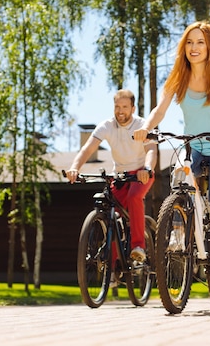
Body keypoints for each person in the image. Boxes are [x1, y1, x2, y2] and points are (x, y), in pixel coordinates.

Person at [133, 21, 210, 281]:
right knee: (179, 183)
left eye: (200, 42)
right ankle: (178, 234)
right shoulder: (178, 78)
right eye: (189, 42)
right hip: (194, 146)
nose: (194, 48)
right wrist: (147, 128)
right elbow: (159, 109)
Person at [66, 89, 156, 263]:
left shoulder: (142, 125)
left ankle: (138, 246)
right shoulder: (107, 126)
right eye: (117, 106)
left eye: (124, 106)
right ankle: (114, 267)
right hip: (120, 175)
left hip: (141, 173)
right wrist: (74, 168)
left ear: (133, 108)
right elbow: (88, 149)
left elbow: (151, 150)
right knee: (111, 213)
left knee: (134, 197)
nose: (120, 111)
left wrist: (147, 167)